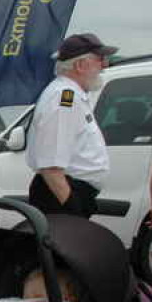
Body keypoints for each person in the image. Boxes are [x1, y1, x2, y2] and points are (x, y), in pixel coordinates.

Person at [25, 33, 119, 218]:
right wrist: (72, 207)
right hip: (60, 195)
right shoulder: (64, 99)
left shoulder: (71, 95)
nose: (105, 65)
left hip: (65, 191)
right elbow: (51, 165)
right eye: (100, 59)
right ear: (80, 65)